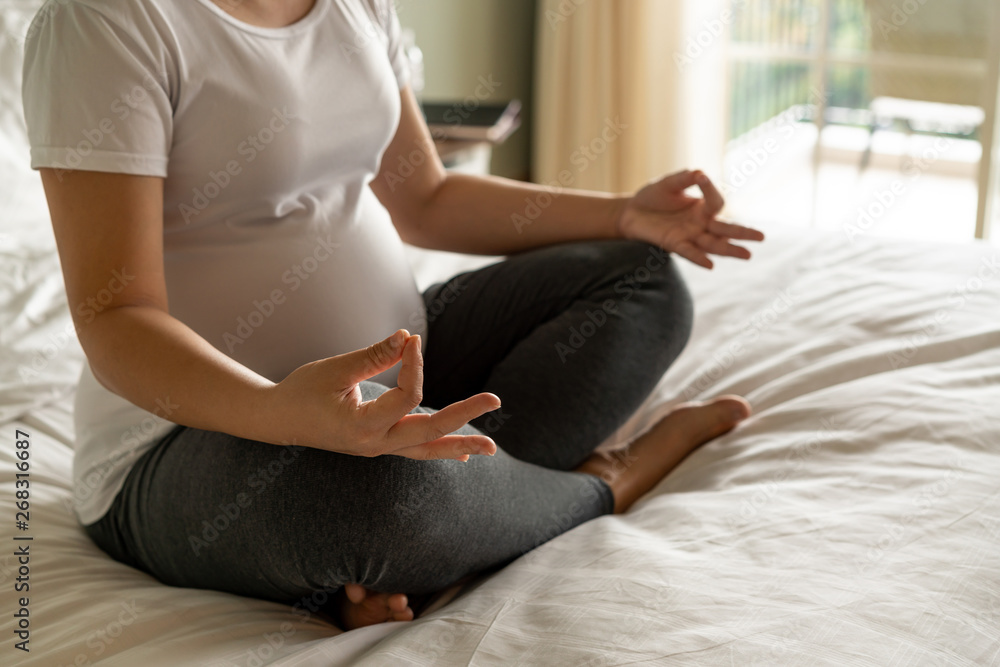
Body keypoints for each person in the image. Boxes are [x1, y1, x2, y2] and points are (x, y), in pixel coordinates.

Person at [22, 0, 764, 630]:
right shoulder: (104, 21)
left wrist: (625, 213)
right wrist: (283, 412)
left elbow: (426, 199)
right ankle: (598, 486)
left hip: (402, 369)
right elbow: (115, 315)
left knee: (639, 278)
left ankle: (466, 523)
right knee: (377, 496)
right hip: (192, 438)